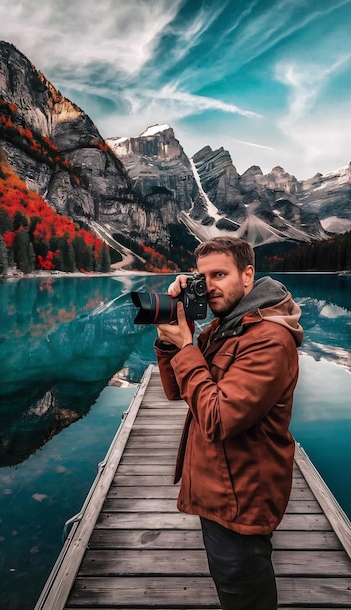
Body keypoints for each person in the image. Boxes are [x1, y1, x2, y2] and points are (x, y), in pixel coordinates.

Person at [154, 237, 303, 610]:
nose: (209, 286)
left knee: (243, 590)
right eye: (202, 278)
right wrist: (173, 339)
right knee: (231, 583)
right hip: (220, 488)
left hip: (242, 498)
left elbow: (217, 418)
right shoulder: (226, 326)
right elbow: (179, 392)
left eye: (219, 274)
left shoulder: (269, 339)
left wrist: (188, 347)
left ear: (248, 275)